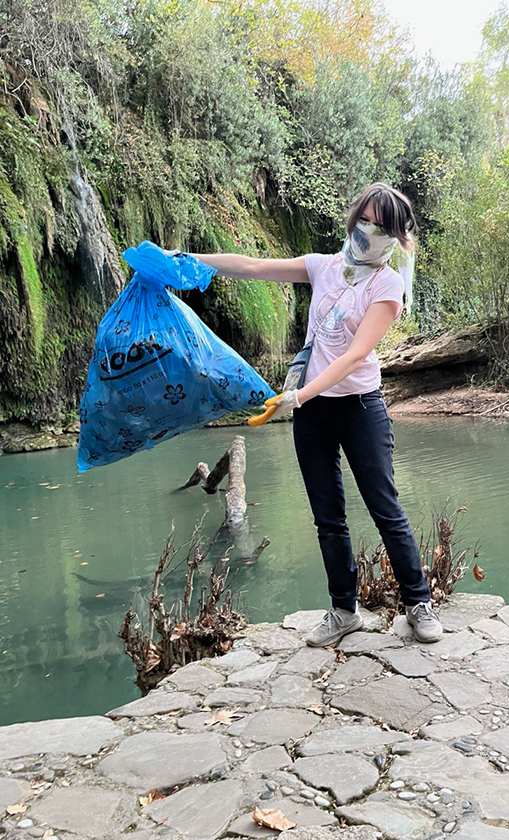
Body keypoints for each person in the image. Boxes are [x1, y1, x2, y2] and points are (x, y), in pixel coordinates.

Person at [178, 182, 442, 647]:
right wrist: (189, 260)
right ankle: (344, 611)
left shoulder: (387, 284)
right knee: (328, 516)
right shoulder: (325, 267)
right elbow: (254, 266)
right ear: (353, 219)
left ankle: (417, 602)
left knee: (386, 509)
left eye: (380, 226)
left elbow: (355, 356)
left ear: (396, 237)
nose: (368, 231)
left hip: (361, 409)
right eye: (364, 220)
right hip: (313, 412)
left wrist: (296, 397)